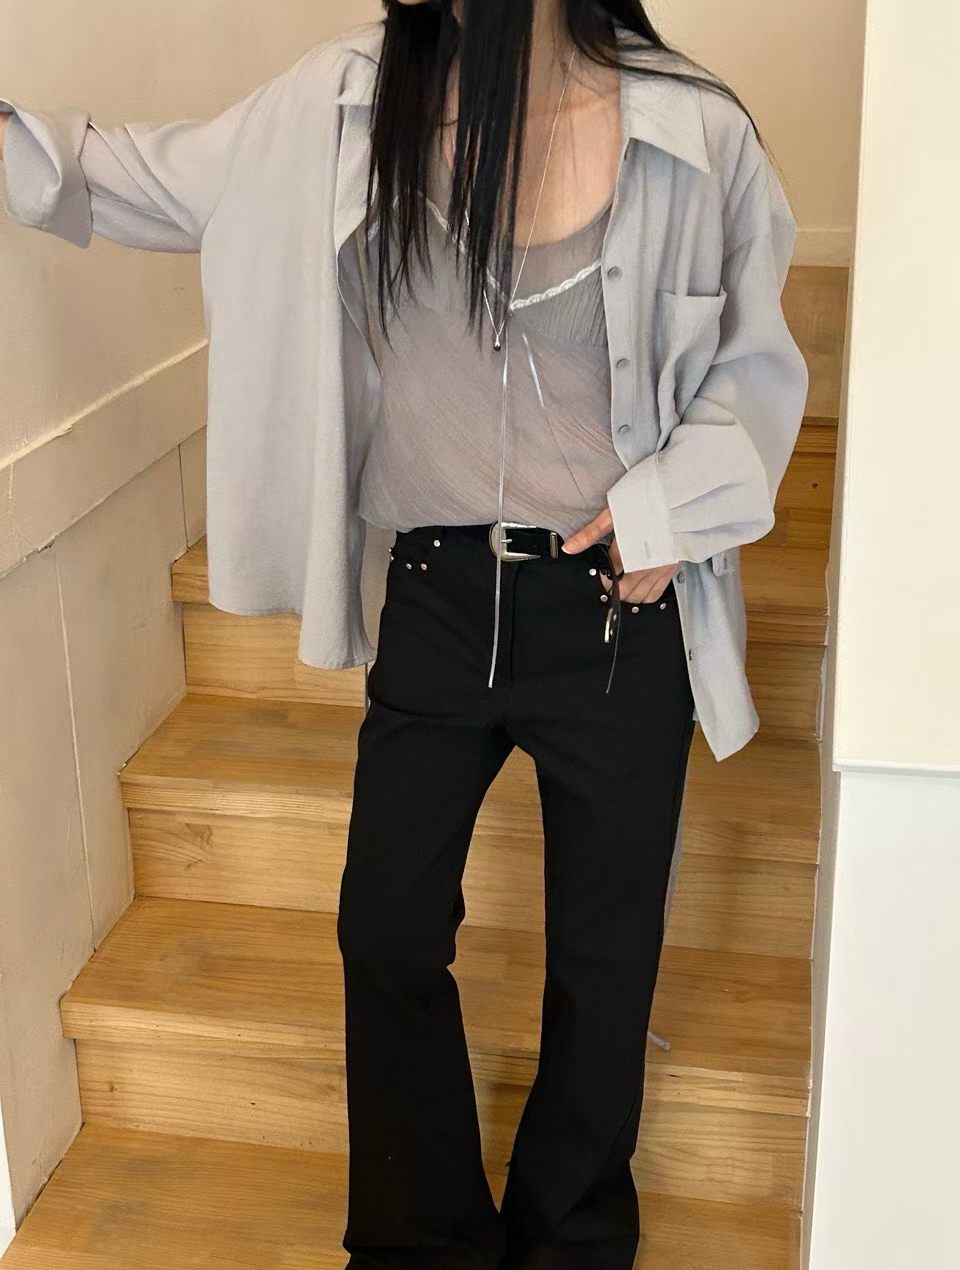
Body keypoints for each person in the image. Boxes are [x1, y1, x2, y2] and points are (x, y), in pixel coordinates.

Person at [0, 2, 808, 1266]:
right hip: (438, 597)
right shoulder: (341, 109)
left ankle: (571, 1236)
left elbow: (753, 375)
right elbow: (142, 175)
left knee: (604, 962)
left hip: (613, 605)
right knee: (384, 926)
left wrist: (671, 513)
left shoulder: (693, 132)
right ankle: (420, 1240)